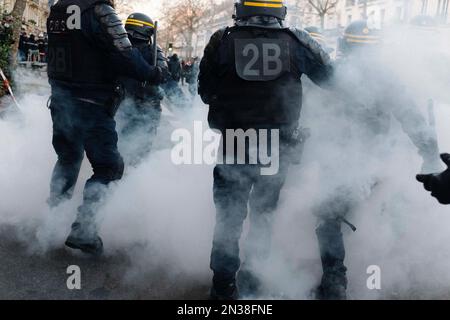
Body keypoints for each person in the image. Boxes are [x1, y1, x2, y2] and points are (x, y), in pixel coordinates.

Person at [198, 0, 334, 300]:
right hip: (277, 146)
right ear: (279, 10)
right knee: (263, 214)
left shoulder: (222, 40)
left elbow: (205, 92)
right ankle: (252, 278)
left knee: (229, 217)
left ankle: (222, 287)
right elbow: (332, 80)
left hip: (235, 142)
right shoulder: (297, 41)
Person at [309, 20, 441, 300]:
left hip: (342, 162)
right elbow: (413, 119)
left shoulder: (332, 75)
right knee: (380, 214)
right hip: (377, 162)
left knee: (329, 219)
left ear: (344, 45)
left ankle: (335, 282)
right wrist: (429, 154)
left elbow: (307, 114)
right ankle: (387, 272)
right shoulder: (388, 78)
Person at [47, 0, 162, 255]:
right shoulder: (99, 11)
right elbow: (124, 54)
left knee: (68, 158)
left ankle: (52, 219)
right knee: (109, 167)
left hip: (61, 100)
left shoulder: (57, 9)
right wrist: (151, 73)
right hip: (92, 104)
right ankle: (84, 230)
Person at [118, 12, 169, 166]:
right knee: (140, 152)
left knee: (121, 147)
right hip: (145, 107)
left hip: (122, 105)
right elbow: (163, 73)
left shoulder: (119, 47)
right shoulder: (153, 50)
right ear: (147, 32)